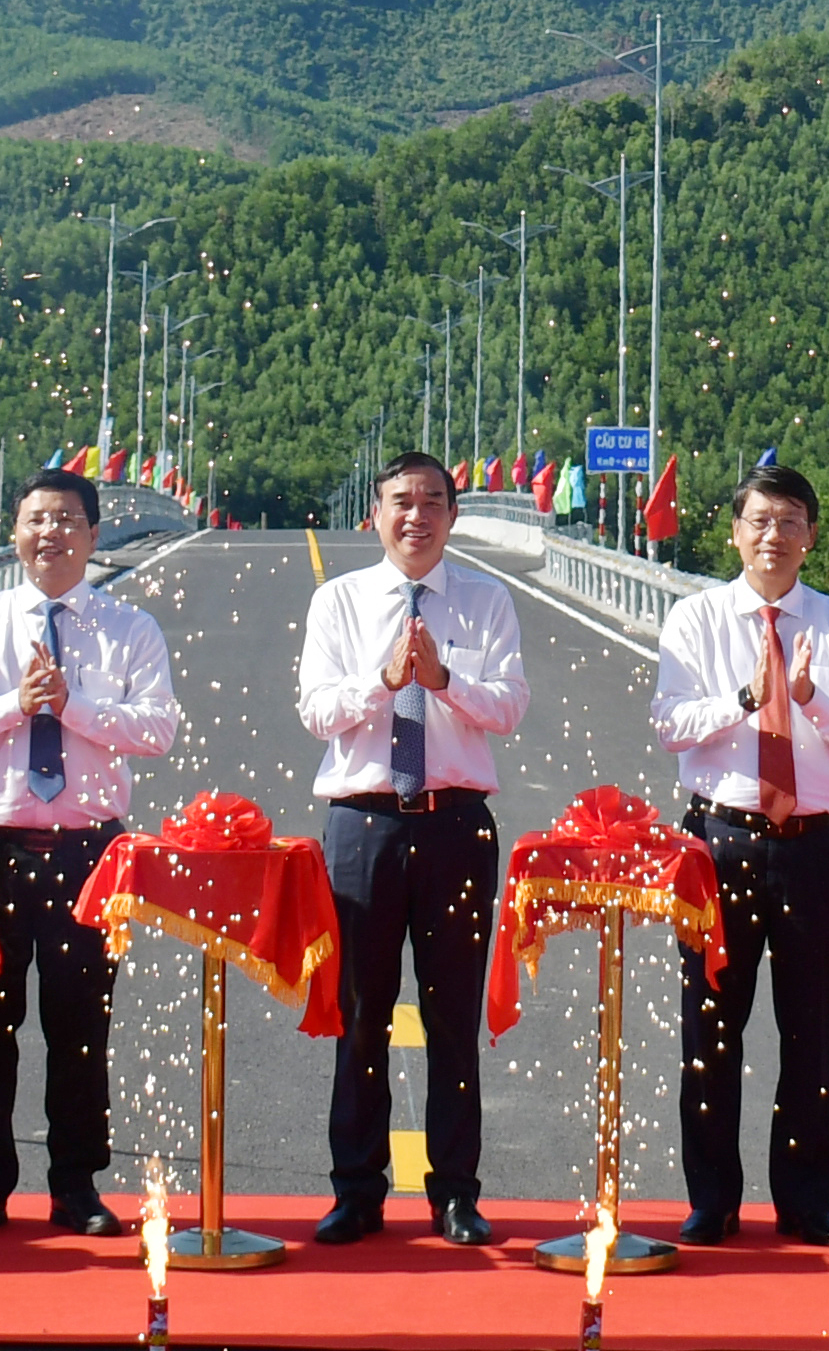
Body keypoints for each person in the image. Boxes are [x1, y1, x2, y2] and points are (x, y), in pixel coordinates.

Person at [0, 467, 178, 1238]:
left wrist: (75, 707)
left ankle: (76, 1186)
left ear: (95, 535)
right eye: (36, 520)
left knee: (79, 1027)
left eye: (67, 520)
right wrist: (13, 706)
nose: (50, 534)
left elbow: (156, 729)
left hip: (89, 851)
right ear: (15, 533)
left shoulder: (129, 629)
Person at [295, 451, 528, 1247]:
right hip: (363, 823)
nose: (416, 516)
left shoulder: (487, 599)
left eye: (433, 501)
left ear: (453, 516)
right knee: (359, 1013)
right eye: (401, 501)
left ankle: (456, 1192)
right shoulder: (340, 602)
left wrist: (444, 677)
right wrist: (388, 682)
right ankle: (356, 1190)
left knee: (452, 1015)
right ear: (377, 513)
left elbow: (509, 707)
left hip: (455, 824)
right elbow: (318, 710)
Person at [650, 464, 829, 1247]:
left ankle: (807, 1202)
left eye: (790, 522)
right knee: (710, 1025)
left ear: (811, 537)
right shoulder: (697, 619)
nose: (773, 536)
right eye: (759, 520)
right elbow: (671, 723)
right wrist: (747, 700)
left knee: (813, 1029)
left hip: (814, 846)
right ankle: (712, 1199)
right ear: (734, 531)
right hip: (719, 843)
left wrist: (810, 697)